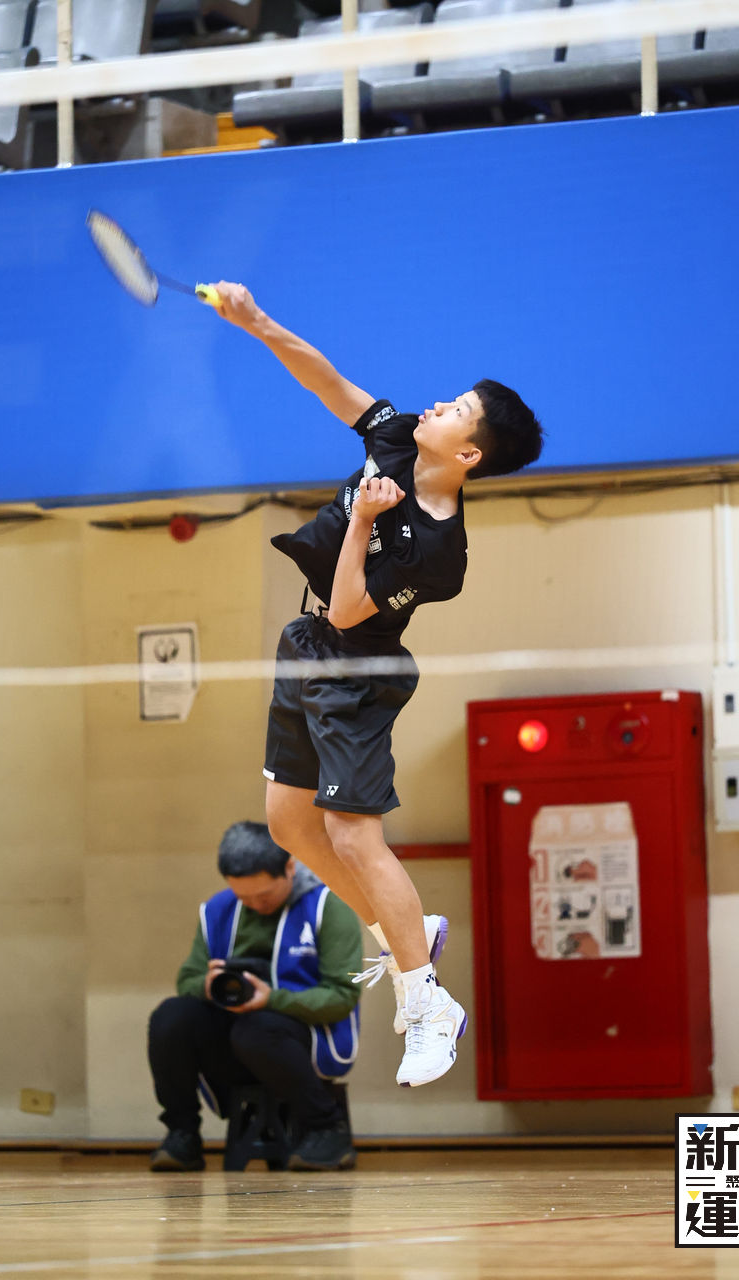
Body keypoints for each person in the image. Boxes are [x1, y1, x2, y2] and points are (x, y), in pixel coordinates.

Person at [210, 282, 543, 1089]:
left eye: (459, 408)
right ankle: (405, 930)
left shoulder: (438, 552)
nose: (440, 403)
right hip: (305, 647)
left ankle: (426, 1004)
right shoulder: (396, 436)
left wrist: (361, 520)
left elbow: (352, 610)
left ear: (469, 454)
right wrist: (257, 322)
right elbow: (327, 381)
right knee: (289, 823)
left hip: (357, 671)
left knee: (353, 834)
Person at [147, 821, 362, 1173]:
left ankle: (327, 1128)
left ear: (289, 868)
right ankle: (182, 1134)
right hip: (234, 1044)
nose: (254, 905)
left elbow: (342, 996)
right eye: (243, 898)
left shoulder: (328, 906)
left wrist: (272, 999)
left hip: (300, 1040)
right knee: (170, 1017)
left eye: (263, 896)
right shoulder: (217, 910)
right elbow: (187, 979)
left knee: (257, 1030)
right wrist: (208, 985)